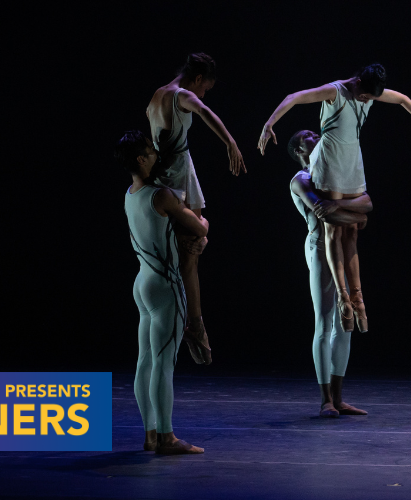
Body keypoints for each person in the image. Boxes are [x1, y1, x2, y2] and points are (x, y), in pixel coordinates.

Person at [258, 63, 411, 332]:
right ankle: (343, 296)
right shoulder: (336, 91)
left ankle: (358, 297)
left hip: (353, 161)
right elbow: (294, 97)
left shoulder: (370, 92)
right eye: (365, 95)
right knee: (334, 231)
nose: (367, 100)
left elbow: (403, 99)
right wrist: (270, 123)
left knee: (352, 230)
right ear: (358, 83)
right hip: (329, 160)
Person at [146, 53, 246, 358]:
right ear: (198, 79)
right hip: (178, 174)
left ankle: (192, 321)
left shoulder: (156, 95)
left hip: (164, 174)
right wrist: (230, 142)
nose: (203, 93)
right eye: (206, 87)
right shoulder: (182, 95)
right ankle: (195, 323)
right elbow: (203, 110)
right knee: (191, 249)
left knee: (189, 246)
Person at [117, 130, 210, 455]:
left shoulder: (130, 194)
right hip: (165, 285)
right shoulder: (161, 195)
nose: (157, 156)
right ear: (141, 159)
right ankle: (167, 437)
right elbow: (199, 227)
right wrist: (203, 226)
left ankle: (150, 434)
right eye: (151, 152)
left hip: (142, 282)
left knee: (145, 361)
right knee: (163, 363)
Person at [289, 130, 372, 418]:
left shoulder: (335, 174)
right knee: (325, 321)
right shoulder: (301, 180)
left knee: (345, 324)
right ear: (301, 151)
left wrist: (343, 207)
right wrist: (355, 213)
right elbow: (326, 214)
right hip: (320, 249)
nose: (316, 134)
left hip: (344, 251)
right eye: (308, 135)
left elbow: (367, 204)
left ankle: (338, 397)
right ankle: (325, 399)